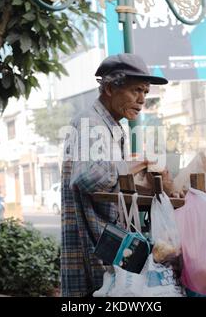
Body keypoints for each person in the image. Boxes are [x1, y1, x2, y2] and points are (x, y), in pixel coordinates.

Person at [61, 53, 172, 297]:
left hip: (107, 242)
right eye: (136, 91)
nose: (142, 99)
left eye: (145, 92)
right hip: (93, 242)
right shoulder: (91, 123)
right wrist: (131, 166)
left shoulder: (111, 125)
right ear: (110, 88)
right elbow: (87, 176)